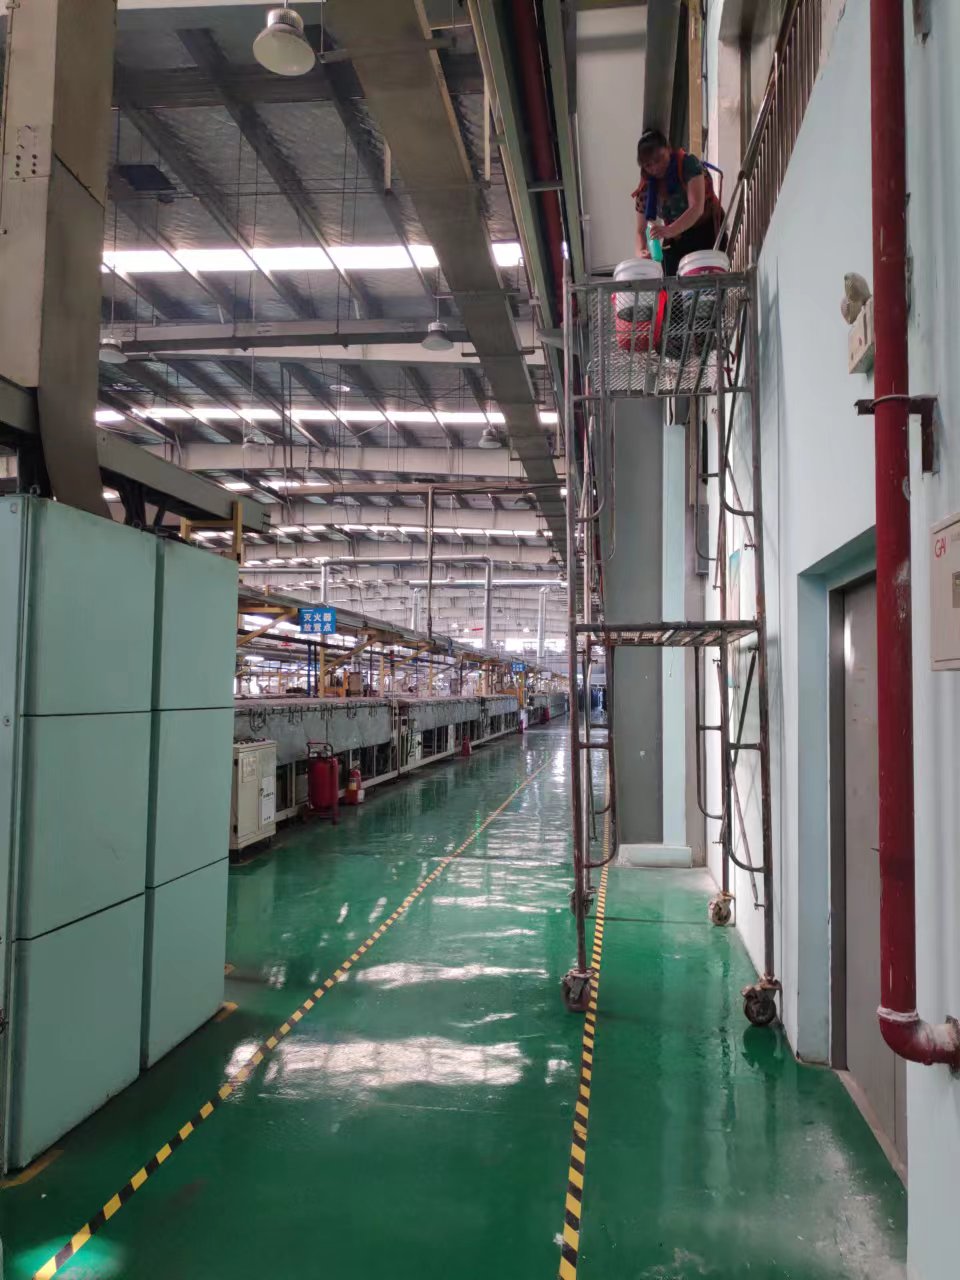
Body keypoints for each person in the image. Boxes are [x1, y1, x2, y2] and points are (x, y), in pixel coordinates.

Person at [632, 128, 724, 276]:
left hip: (706, 228)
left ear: (668, 149)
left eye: (659, 159)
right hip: (677, 237)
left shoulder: (688, 165)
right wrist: (641, 251)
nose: (655, 168)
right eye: (648, 165)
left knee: (707, 277)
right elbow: (640, 230)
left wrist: (668, 230)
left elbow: (697, 207)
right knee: (669, 278)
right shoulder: (645, 188)